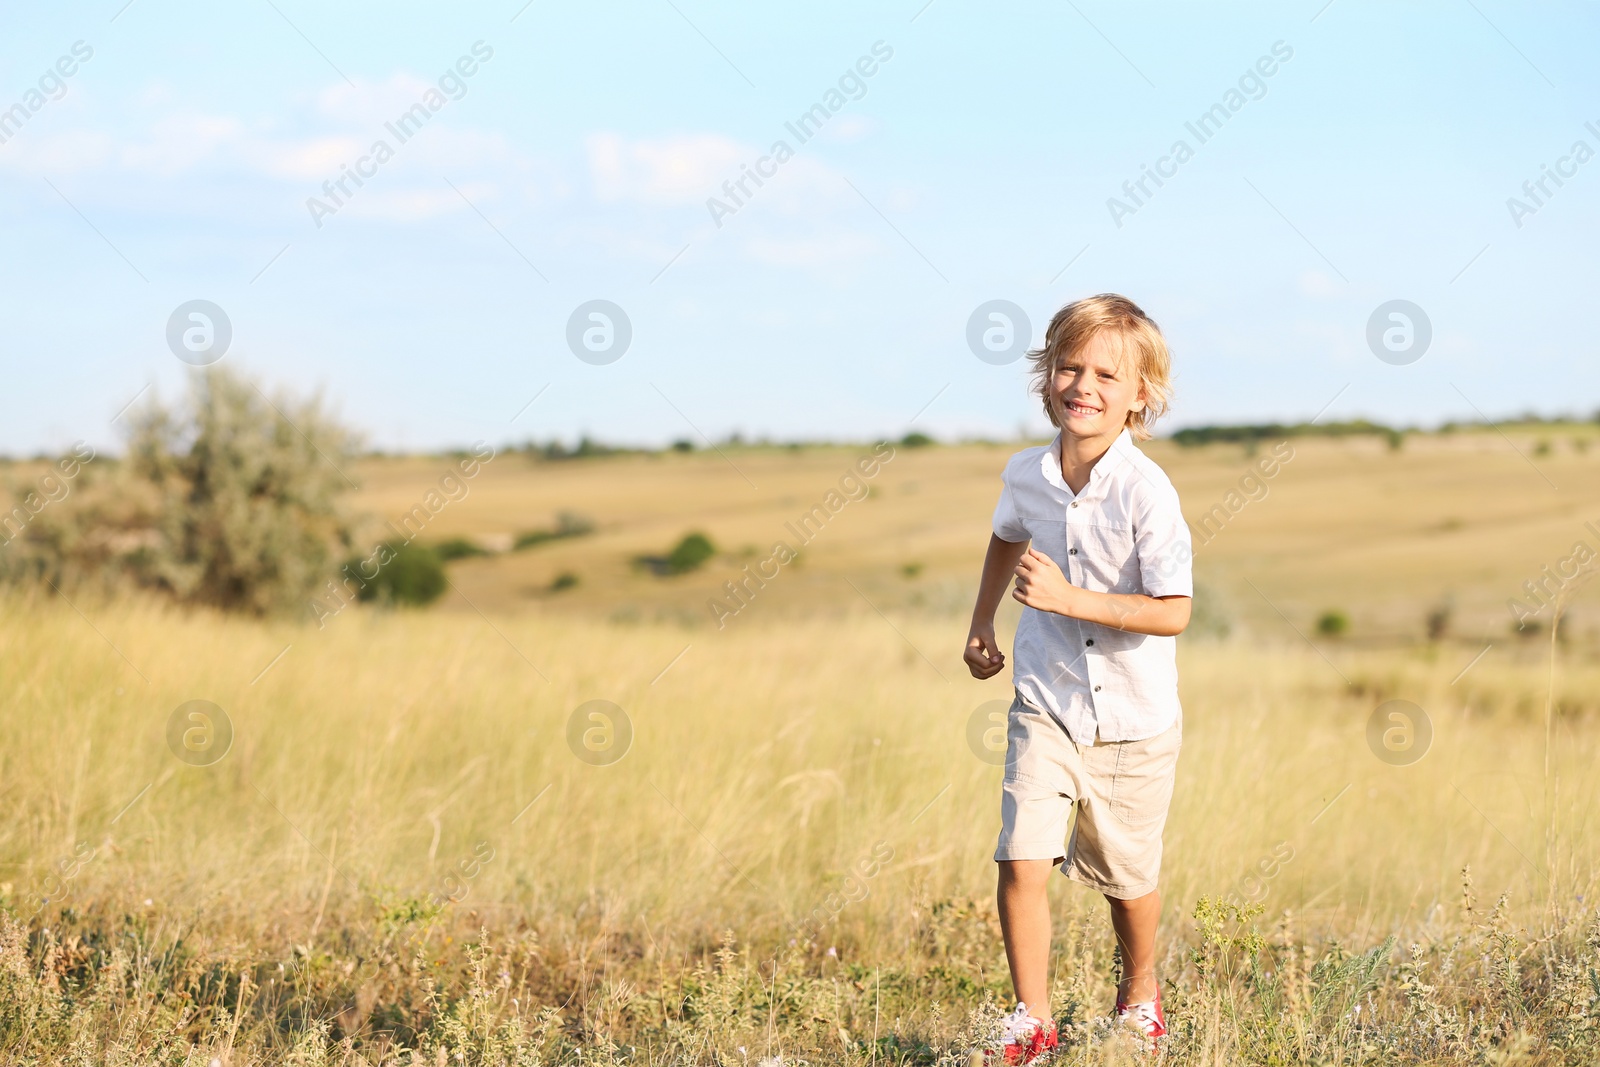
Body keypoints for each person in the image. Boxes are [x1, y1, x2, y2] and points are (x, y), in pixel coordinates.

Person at [964, 293, 1193, 1062]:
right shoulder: (1026, 475)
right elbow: (1005, 537)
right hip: (1046, 699)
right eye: (1070, 366)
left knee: (1127, 877)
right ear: (1046, 377)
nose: (1083, 385)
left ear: (1140, 397)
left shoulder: (1146, 491)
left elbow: (1174, 612)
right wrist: (981, 622)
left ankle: (1139, 999)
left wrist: (1071, 599)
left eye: (1106, 373)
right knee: (1020, 854)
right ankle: (1031, 1020)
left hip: (1135, 718)